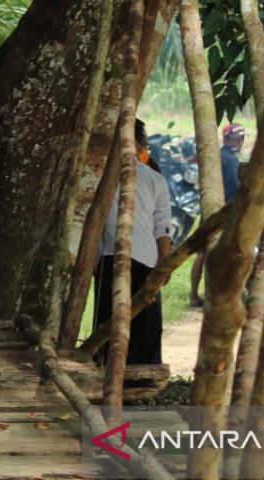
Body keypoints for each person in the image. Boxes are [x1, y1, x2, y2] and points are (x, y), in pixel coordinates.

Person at [94, 119, 172, 366]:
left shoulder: (101, 175)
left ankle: (112, 370)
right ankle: (141, 372)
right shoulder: (153, 178)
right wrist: (163, 261)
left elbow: (162, 225)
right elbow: (163, 227)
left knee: (110, 320)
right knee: (143, 324)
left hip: (110, 257)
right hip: (145, 258)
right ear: (138, 144)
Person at [190, 122, 245, 308]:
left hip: (209, 208)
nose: (240, 141)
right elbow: (237, 187)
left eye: (241, 138)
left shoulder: (217, 156)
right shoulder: (230, 160)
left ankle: (194, 294)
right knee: (217, 252)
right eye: (238, 138)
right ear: (230, 139)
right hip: (224, 211)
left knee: (203, 253)